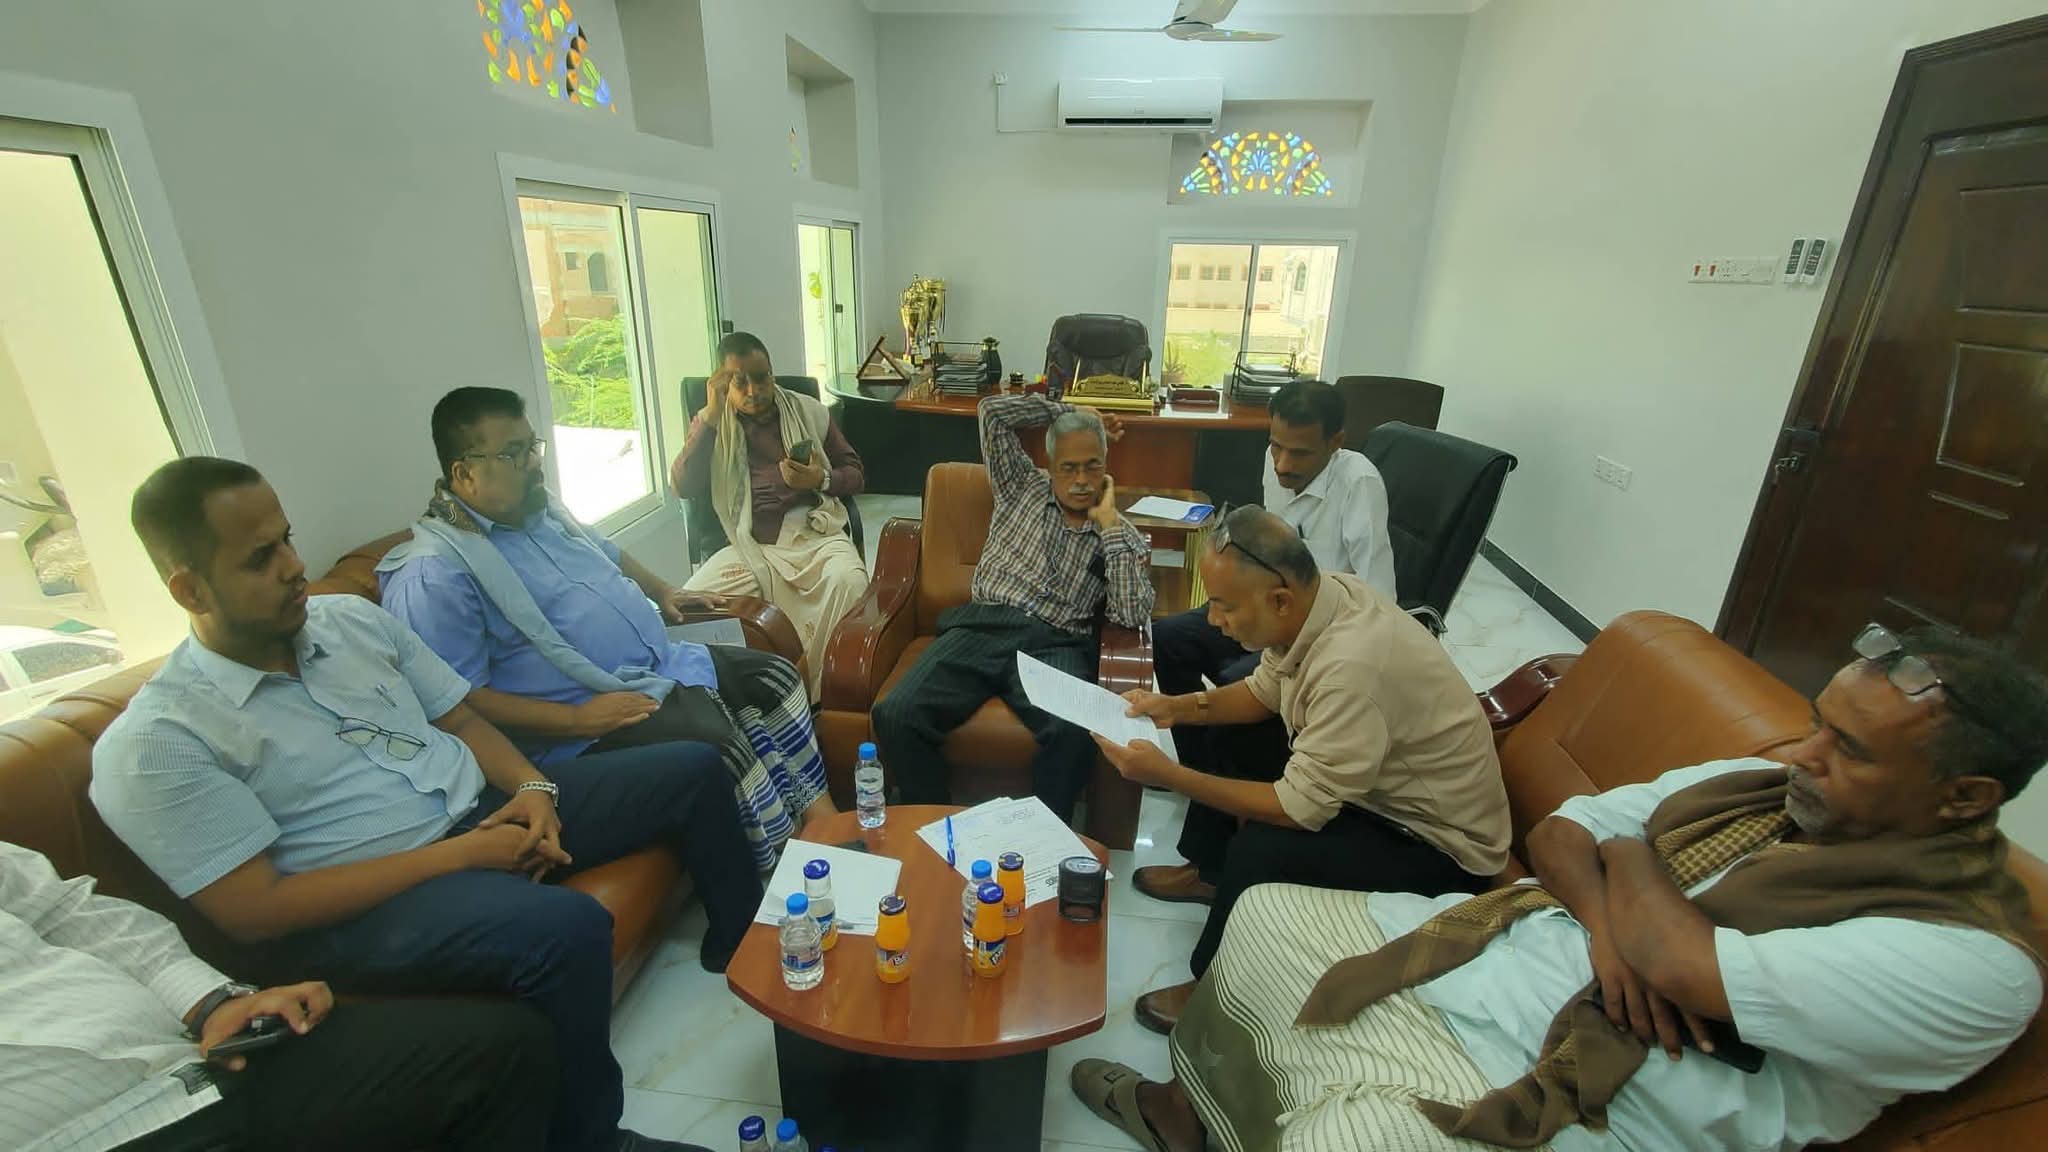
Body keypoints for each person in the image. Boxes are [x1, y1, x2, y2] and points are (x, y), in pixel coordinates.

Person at [1071, 625, 2048, 1152]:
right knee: (1267, 911)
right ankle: (1190, 1115)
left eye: (1850, 750)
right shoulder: (1762, 785)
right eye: (1818, 722)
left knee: (1355, 1138)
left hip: (1603, 1099)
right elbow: (1563, 834)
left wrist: (1629, 871)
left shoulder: (1970, 961)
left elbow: (1681, 964)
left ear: (1963, 797)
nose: (1805, 753)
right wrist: (1620, 904)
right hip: (1513, 960)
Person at [91, 457, 759, 1152]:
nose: (294, 566)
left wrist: (532, 790)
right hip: (369, 905)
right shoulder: (159, 742)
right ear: (188, 588)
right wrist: (464, 857)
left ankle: (745, 944)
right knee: (567, 929)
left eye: (287, 539)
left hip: (482, 809)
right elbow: (257, 910)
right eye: (261, 558)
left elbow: (461, 718)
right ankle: (590, 1141)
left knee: (691, 767)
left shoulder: (349, 622)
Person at [379, 387, 836, 873]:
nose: (534, 463)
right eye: (514, 454)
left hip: (658, 663)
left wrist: (663, 590)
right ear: (464, 473)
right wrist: (577, 720)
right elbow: (457, 701)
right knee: (720, 743)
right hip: (584, 718)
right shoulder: (435, 574)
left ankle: (826, 827)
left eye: (532, 446)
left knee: (775, 678)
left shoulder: (537, 512)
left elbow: (606, 552)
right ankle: (785, 870)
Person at [1099, 507, 1508, 1035]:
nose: (1215, 620)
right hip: (1377, 787)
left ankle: (1209, 990)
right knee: (1230, 732)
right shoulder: (1323, 598)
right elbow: (1264, 692)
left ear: (1279, 600)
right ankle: (1210, 874)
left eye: (1224, 606)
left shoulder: (1352, 669)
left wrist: (1169, 774)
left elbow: (1297, 809)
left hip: (1436, 845)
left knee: (1263, 847)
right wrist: (1178, 708)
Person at [0, 838, 565, 1152]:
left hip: (191, 1067)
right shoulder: (154, 743)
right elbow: (255, 910)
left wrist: (210, 1001)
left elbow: (68, 912)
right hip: (82, 1133)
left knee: (504, 1046)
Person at [1137, 379, 1399, 912]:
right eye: (1275, 446)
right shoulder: (1275, 462)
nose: (1281, 464)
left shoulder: (1360, 485)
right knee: (1170, 637)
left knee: (1236, 696)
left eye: (1299, 453)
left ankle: (1209, 867)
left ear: (1336, 442)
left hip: (1320, 632)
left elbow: (1380, 598)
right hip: (1266, 610)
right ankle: (1202, 779)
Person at [873, 392, 1155, 822]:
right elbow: (991, 412)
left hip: (1056, 643)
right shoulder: (1020, 485)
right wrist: (1067, 410)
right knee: (895, 714)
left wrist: (1110, 527)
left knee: (1073, 732)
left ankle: (1041, 836)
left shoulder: (1122, 536)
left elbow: (1132, 614)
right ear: (1050, 465)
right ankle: (934, 822)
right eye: (1069, 468)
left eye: (1092, 466)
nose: (1081, 480)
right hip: (982, 628)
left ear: (1106, 465)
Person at [669, 331, 870, 701]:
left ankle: (817, 696)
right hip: (748, 544)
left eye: (761, 378)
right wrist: (710, 418)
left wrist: (819, 478)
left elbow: (855, 474)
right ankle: (737, 698)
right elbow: (683, 486)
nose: (753, 391)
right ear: (721, 383)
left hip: (813, 534)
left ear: (772, 374)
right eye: (739, 382)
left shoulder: (807, 411)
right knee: (688, 610)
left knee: (850, 581)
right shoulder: (712, 422)